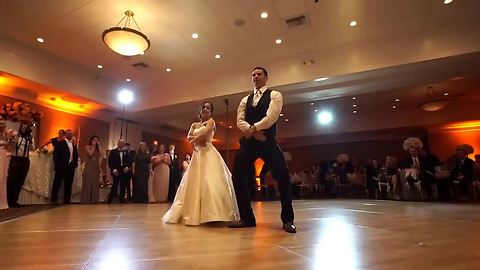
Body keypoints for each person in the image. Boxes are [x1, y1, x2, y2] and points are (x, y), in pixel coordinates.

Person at [229, 67, 296, 233]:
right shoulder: (245, 100)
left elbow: (271, 117)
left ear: (266, 77)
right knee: (237, 177)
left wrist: (255, 128)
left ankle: (288, 220)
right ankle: (246, 218)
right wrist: (252, 132)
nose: (255, 77)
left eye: (259, 74)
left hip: (267, 141)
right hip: (249, 142)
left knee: (283, 177)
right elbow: (239, 121)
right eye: (253, 75)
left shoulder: (275, 95)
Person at [162, 101, 239, 225]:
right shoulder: (194, 124)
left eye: (208, 107)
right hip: (197, 154)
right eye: (204, 107)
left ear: (211, 111)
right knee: (194, 182)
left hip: (208, 152)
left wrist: (194, 140)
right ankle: (195, 212)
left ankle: (215, 213)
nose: (206, 109)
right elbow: (188, 136)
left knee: (210, 181)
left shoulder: (211, 122)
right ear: (200, 110)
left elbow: (205, 133)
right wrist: (194, 141)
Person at [7, 122, 34, 207]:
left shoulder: (30, 138)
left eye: (25, 127)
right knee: (12, 180)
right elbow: (10, 146)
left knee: (20, 181)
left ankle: (14, 201)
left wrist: (30, 141)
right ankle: (8, 200)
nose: (23, 128)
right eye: (22, 126)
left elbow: (32, 148)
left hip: (25, 160)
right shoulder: (15, 136)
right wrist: (11, 139)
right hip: (15, 159)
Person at [51, 129, 78, 204]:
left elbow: (75, 154)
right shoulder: (60, 143)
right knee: (57, 183)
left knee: (69, 184)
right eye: (68, 133)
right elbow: (55, 155)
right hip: (61, 166)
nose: (70, 135)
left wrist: (75, 164)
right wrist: (58, 164)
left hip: (71, 167)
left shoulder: (74, 144)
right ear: (65, 134)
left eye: (71, 133)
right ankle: (54, 199)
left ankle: (67, 200)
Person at [106, 139, 132, 203]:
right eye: (120, 143)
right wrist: (113, 170)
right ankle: (110, 200)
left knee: (123, 186)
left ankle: (121, 199)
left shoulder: (126, 152)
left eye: (123, 144)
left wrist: (127, 168)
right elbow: (110, 162)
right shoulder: (113, 152)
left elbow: (129, 161)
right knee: (115, 185)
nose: (122, 145)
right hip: (116, 171)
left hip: (124, 171)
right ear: (118, 144)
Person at [80, 135, 103, 204]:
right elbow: (90, 154)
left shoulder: (98, 148)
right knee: (88, 182)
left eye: (97, 140)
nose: (95, 141)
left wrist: (99, 146)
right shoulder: (87, 146)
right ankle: (86, 200)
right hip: (89, 166)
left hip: (96, 167)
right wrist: (93, 146)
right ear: (91, 140)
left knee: (95, 183)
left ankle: (94, 200)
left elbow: (102, 154)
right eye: (94, 140)